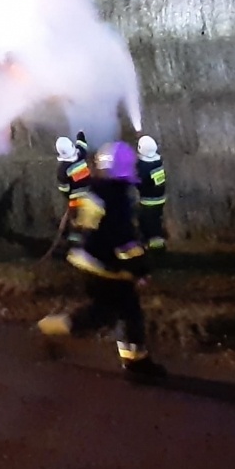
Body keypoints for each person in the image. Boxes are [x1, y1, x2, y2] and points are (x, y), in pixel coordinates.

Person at [40, 140, 161, 375]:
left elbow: (82, 225)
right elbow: (123, 238)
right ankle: (136, 363)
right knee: (123, 312)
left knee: (108, 312)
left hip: (88, 260)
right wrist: (140, 269)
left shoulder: (94, 189)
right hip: (106, 265)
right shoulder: (117, 197)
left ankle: (134, 359)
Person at [131, 135, 169, 250]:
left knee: (148, 223)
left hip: (148, 201)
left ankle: (154, 247)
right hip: (160, 199)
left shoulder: (143, 166)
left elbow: (139, 181)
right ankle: (158, 243)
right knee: (156, 220)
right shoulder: (158, 161)